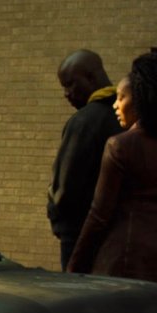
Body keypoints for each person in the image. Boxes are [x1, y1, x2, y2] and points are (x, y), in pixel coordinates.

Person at [67, 52, 157, 303]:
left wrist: (75, 266)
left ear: (140, 100)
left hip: (121, 264)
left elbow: (99, 215)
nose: (115, 105)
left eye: (121, 97)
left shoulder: (119, 146)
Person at [47, 49, 123, 270]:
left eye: (70, 84)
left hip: (77, 234)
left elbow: (65, 187)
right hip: (117, 236)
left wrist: (58, 221)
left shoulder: (84, 122)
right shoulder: (126, 120)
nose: (66, 93)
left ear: (90, 77)